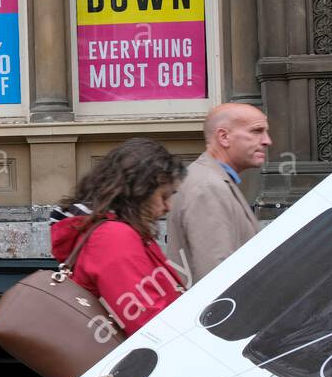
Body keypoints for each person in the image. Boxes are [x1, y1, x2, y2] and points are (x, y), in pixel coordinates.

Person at [50, 137, 187, 335]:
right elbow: (145, 320)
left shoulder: (115, 231)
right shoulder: (114, 237)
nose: (168, 207)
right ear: (138, 191)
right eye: (163, 196)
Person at [166, 102, 271, 285]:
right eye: (256, 131)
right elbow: (217, 278)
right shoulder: (207, 187)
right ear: (224, 137)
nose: (267, 141)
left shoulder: (212, 180)